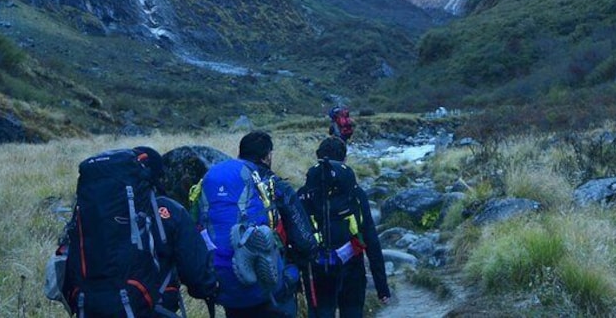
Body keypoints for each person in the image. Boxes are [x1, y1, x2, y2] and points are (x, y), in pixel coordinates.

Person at [55, 146, 218, 317]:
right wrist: (212, 287)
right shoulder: (167, 211)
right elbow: (198, 277)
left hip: (88, 308)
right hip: (151, 310)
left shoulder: (88, 214)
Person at [194, 131, 317, 318]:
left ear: (240, 153)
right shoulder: (274, 185)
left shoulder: (212, 182)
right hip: (270, 288)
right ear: (267, 156)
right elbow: (305, 241)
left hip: (226, 285)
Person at [299, 137, 390, 318]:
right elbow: (371, 238)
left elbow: (295, 236)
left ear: (318, 157)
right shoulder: (355, 193)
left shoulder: (303, 194)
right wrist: (382, 286)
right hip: (352, 268)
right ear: (345, 160)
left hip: (317, 271)